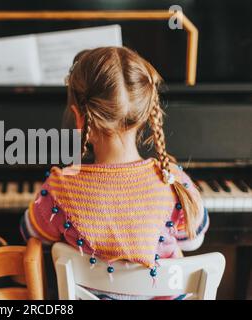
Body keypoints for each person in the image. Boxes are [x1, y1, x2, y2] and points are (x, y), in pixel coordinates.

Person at [21, 47, 209, 299]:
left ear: (79, 118)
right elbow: (193, 242)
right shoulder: (174, 181)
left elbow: (30, 232)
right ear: (145, 113)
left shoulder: (60, 187)